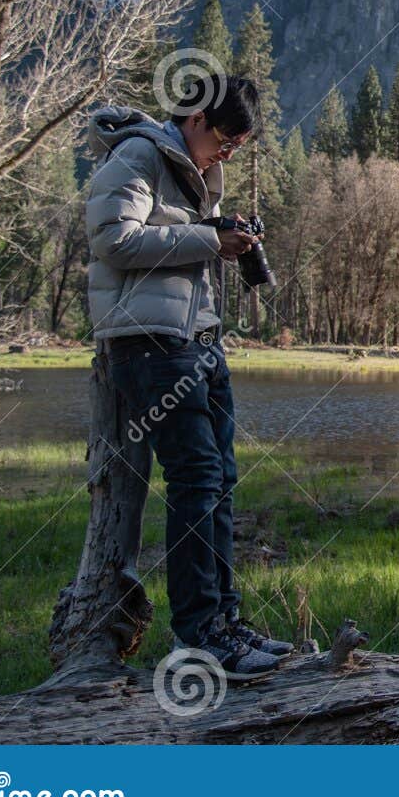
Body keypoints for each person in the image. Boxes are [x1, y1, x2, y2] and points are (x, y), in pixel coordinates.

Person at [84, 78, 292, 680]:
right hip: (150, 345)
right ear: (195, 116)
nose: (227, 154)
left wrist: (224, 239)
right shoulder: (140, 153)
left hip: (197, 343)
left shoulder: (193, 171)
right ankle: (201, 636)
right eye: (225, 140)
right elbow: (113, 239)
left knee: (218, 480)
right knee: (197, 478)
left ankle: (223, 623)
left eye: (236, 147)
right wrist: (208, 237)